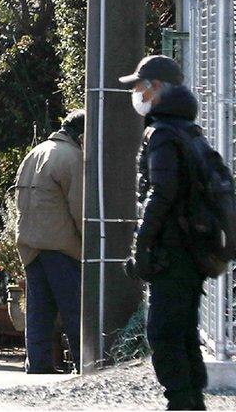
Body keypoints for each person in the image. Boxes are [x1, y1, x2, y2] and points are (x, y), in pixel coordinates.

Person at [120, 56, 207, 410]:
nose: (137, 93)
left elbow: (161, 192)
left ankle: (181, 404)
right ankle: (192, 402)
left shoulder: (161, 134)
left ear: (156, 87)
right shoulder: (190, 132)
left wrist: (142, 246)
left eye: (140, 86)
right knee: (184, 333)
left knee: (163, 333)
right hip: (193, 251)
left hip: (171, 252)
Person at [14, 109, 85, 374]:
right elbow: (80, 207)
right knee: (73, 310)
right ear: (81, 135)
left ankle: (38, 364)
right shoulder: (73, 158)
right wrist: (89, 243)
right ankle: (83, 364)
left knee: (39, 311)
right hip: (61, 244)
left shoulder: (35, 152)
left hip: (30, 244)